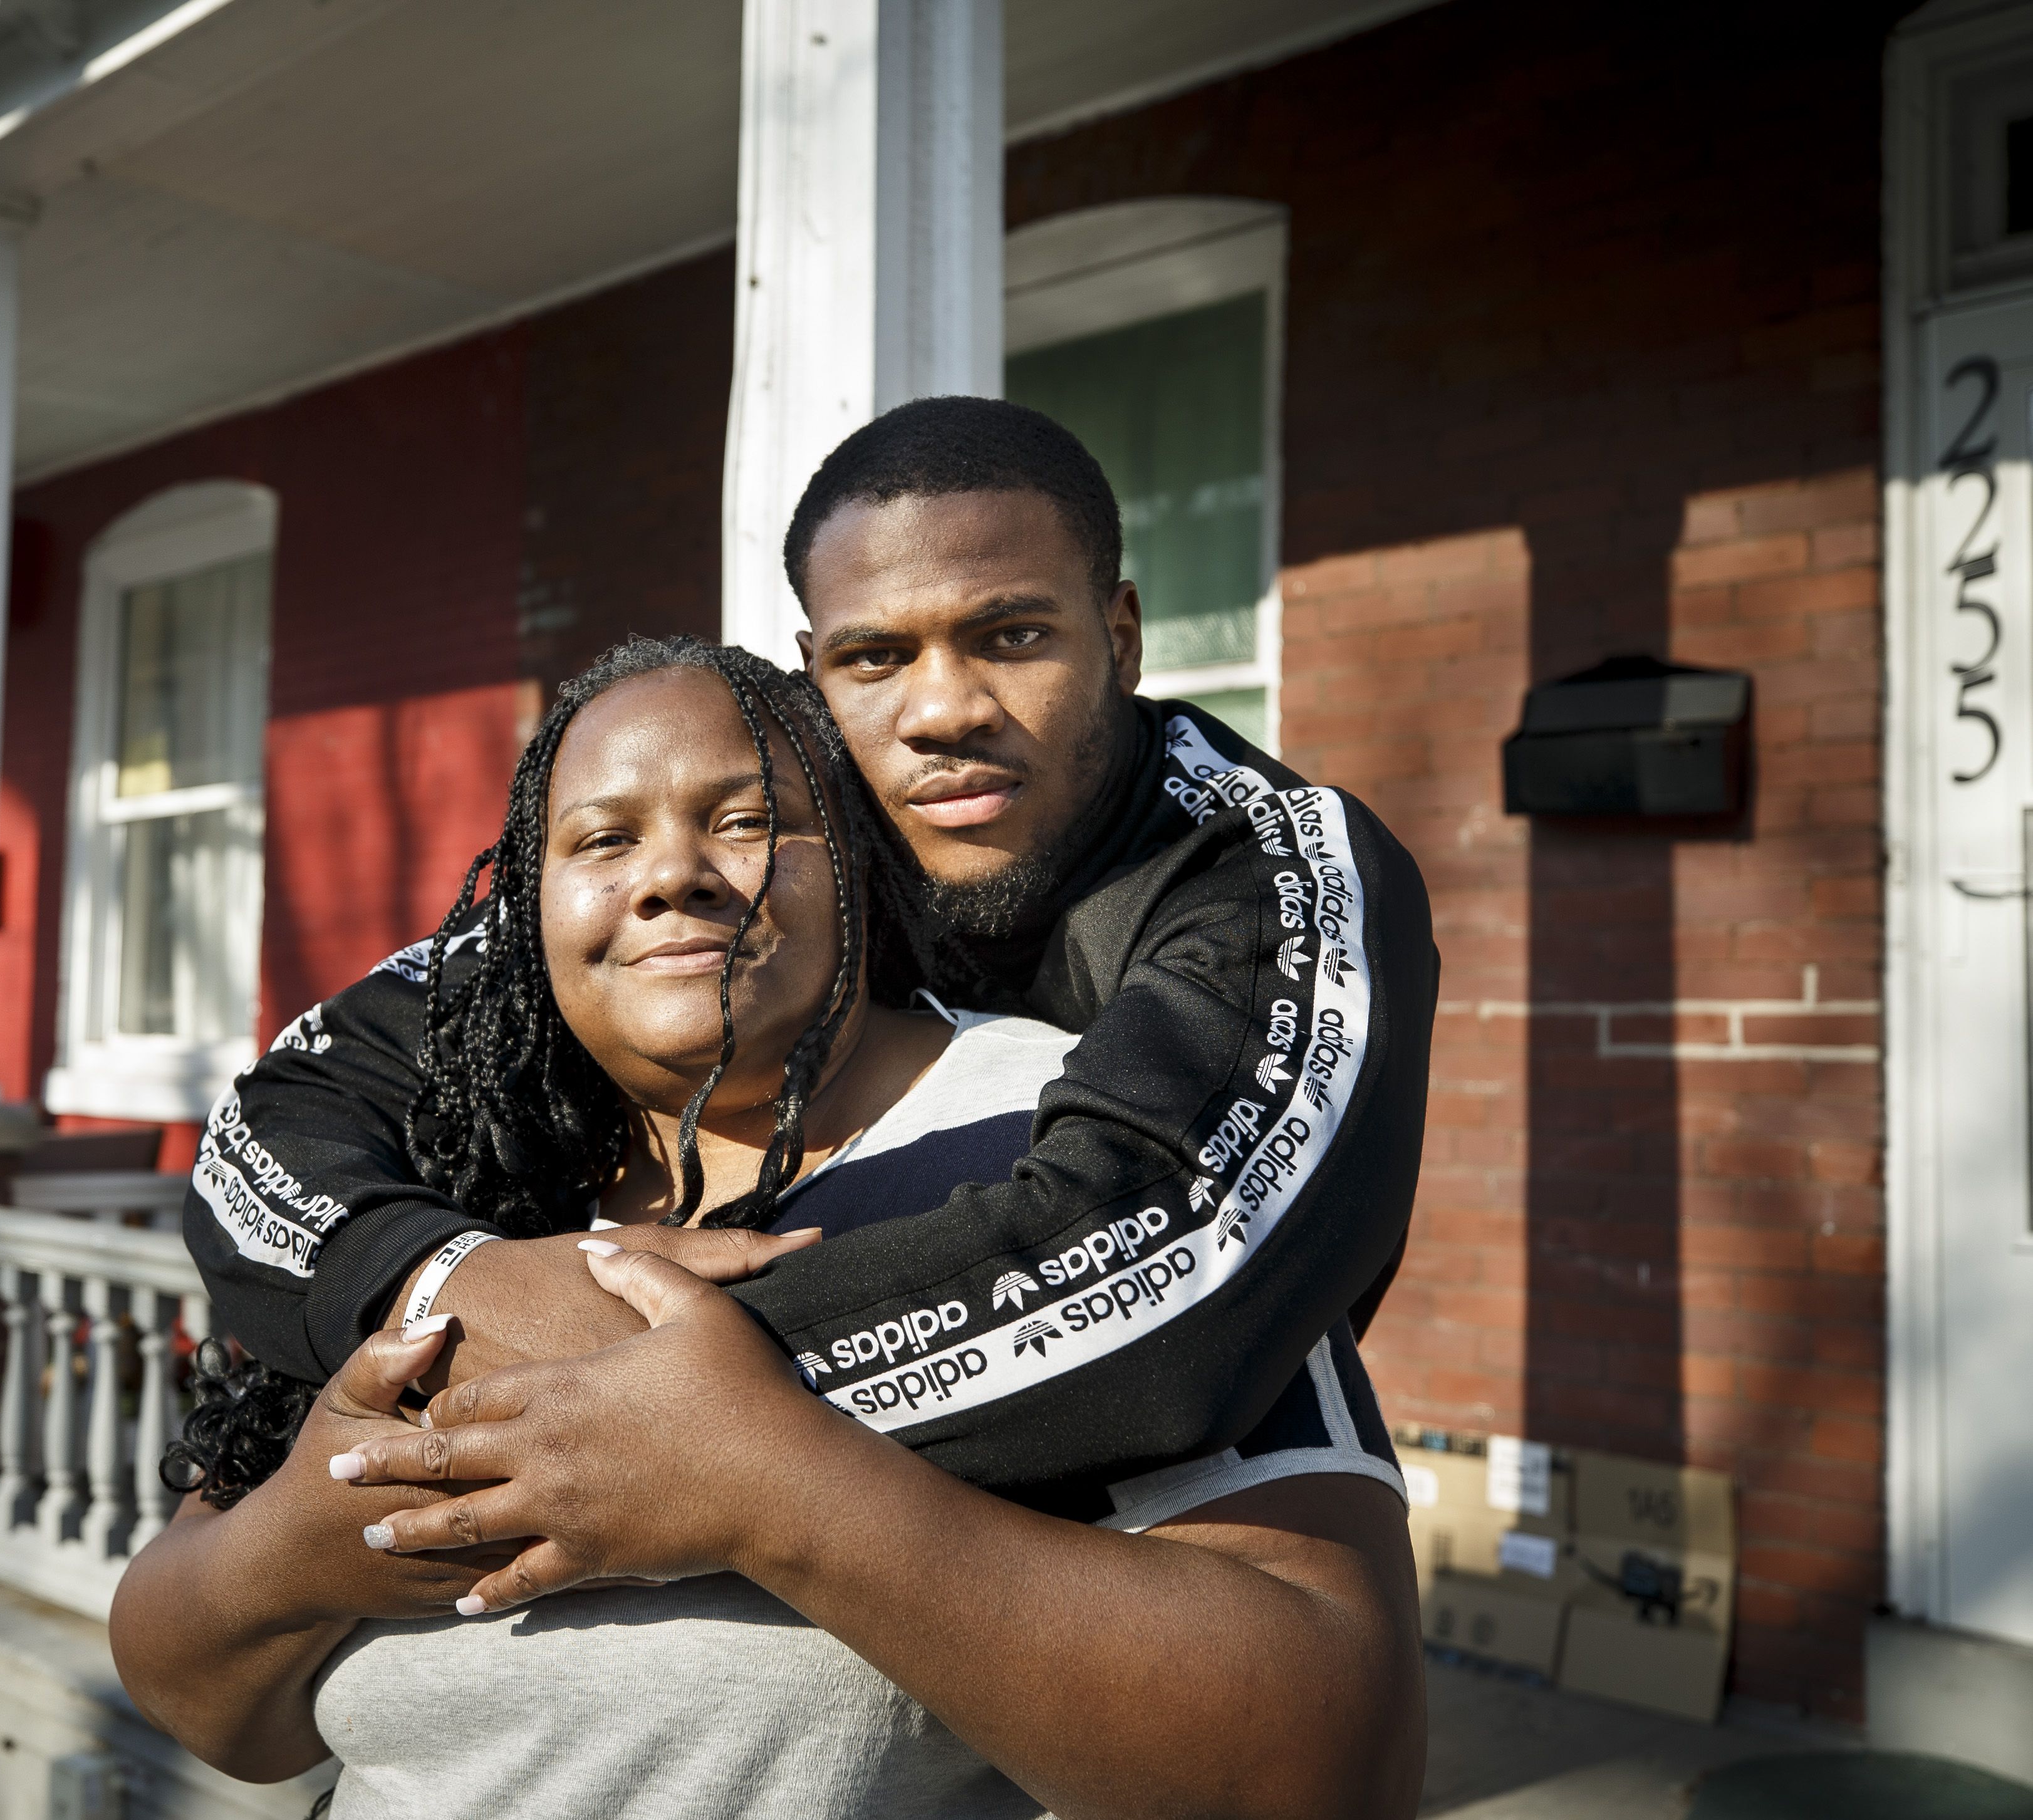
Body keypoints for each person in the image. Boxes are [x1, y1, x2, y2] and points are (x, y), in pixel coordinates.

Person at [112, 640, 1426, 1820]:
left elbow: (1333, 1762)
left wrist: (769, 1490)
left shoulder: (1089, 1150)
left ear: (858, 865)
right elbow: (218, 1712)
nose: (672, 875)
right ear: (530, 902)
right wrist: (294, 1551)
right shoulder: (447, 1170)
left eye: (748, 821)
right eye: (601, 840)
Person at [182, 397, 1438, 1505]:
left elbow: (1165, 1270)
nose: (941, 711)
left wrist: (621, 1389)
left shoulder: (1259, 864)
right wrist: (444, 1282)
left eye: (1010, 636)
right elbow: (280, 1120)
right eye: (875, 657)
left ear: (1119, 635)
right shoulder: (785, 857)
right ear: (813, 671)